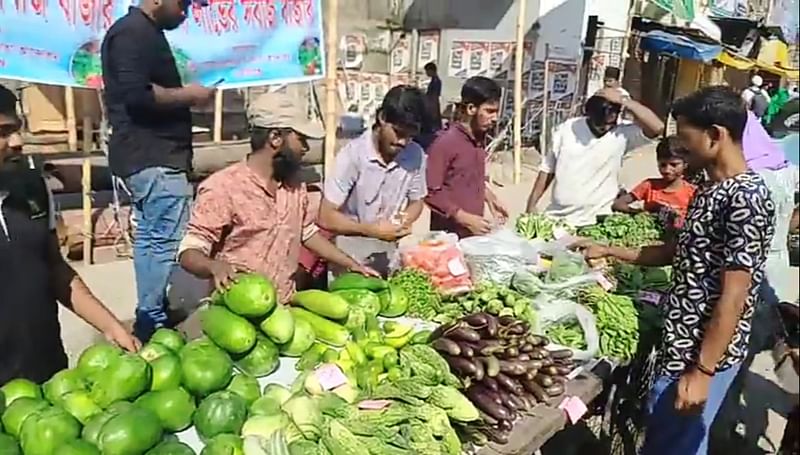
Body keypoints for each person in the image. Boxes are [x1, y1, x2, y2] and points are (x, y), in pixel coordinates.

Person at [576, 86, 775, 455]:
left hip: (698, 356)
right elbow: (677, 251)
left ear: (715, 136)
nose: (679, 151)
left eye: (686, 140)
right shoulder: (709, 188)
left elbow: (735, 295)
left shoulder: (746, 198)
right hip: (678, 347)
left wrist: (702, 373)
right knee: (665, 441)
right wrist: (608, 249)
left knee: (676, 448)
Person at [178, 91, 376, 302]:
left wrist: (350, 264)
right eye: (301, 139)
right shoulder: (222, 188)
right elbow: (189, 250)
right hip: (236, 309)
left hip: (283, 307)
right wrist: (213, 266)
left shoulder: (294, 186)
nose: (306, 148)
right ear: (275, 138)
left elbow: (306, 233)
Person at [0, 86, 139, 385]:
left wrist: (111, 326)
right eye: (3, 131)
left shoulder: (33, 190)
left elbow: (54, 268)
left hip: (49, 374)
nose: (17, 142)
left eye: (18, 129)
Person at [101, 0, 215, 341]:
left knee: (153, 239)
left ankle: (151, 313)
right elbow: (137, 95)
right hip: (152, 155)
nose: (185, 12)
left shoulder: (142, 32)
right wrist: (190, 96)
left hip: (153, 155)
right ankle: (153, 319)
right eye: (182, 3)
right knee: (165, 241)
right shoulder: (131, 34)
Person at [318, 85, 428, 275]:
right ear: (382, 117)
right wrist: (371, 230)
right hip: (348, 254)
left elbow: (417, 201)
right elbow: (325, 216)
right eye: (398, 133)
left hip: (388, 253)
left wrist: (404, 220)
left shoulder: (415, 155)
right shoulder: (353, 155)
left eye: (409, 136)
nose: (403, 142)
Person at [525, 89, 665, 227]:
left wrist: (625, 101)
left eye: (610, 123)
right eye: (600, 123)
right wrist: (531, 204)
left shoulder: (622, 134)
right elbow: (548, 169)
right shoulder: (567, 129)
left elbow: (657, 127)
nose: (605, 128)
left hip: (596, 220)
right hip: (557, 217)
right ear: (589, 115)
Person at [425, 76, 508, 238]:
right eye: (489, 111)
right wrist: (463, 217)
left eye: (497, 112)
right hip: (447, 238)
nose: (495, 118)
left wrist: (490, 198)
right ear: (471, 109)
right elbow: (430, 191)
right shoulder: (446, 143)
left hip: (472, 236)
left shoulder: (479, 139)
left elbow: (468, 178)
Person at [612, 136, 696, 228]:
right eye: (663, 165)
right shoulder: (649, 186)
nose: (667, 170)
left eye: (674, 165)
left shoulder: (692, 192)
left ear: (685, 165)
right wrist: (640, 213)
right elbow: (618, 204)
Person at [424, 62, 443, 131]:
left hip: (432, 106)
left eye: (427, 71)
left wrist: (432, 110)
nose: (426, 73)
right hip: (432, 105)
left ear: (431, 70)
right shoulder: (434, 81)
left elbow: (434, 97)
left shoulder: (436, 82)